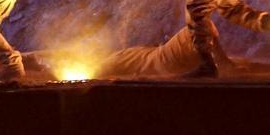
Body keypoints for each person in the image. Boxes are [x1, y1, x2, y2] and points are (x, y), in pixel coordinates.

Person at [96, 27, 229, 78]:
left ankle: (221, 64)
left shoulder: (118, 56)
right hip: (164, 61)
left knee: (201, 29)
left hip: (163, 58)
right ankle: (219, 65)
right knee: (198, 28)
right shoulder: (108, 63)